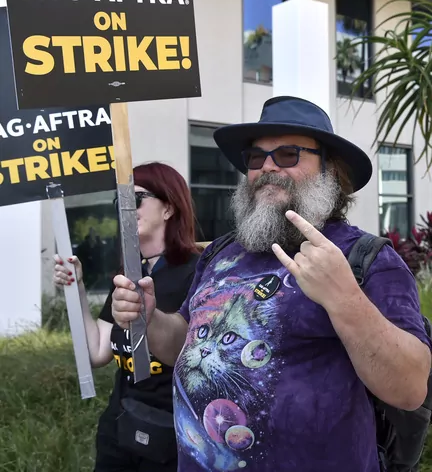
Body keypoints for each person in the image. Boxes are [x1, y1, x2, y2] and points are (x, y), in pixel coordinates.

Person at [111, 96, 432, 472]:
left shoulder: (367, 258)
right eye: (255, 158)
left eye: (287, 154)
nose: (266, 167)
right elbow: (183, 343)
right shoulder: (220, 253)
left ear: (330, 170)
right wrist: (150, 319)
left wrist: (344, 299)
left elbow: (410, 388)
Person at [53, 162, 201, 472]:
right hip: (119, 428)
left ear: (169, 208)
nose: (125, 209)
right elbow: (97, 352)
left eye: (136, 199)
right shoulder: (128, 275)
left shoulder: (199, 272)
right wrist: (77, 287)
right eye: (119, 202)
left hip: (173, 437)